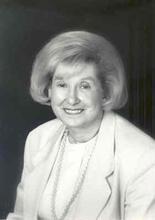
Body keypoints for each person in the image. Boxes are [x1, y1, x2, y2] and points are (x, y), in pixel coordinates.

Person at [7, 30, 155, 220]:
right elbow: (21, 216)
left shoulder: (144, 158)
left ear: (105, 91)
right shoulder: (38, 138)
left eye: (85, 86)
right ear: (49, 88)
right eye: (62, 85)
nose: (71, 98)